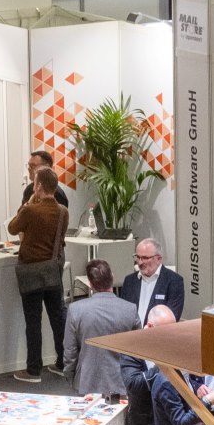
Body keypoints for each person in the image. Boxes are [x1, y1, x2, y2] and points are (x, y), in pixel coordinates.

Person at [9, 168, 68, 381]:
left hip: (31, 272)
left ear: (39, 186)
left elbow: (12, 228)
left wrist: (26, 204)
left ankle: (34, 369)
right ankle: (62, 362)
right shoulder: (63, 211)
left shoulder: (30, 210)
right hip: (53, 271)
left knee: (33, 322)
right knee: (57, 318)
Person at [65, 260, 139, 395]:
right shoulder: (130, 309)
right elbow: (139, 348)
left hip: (87, 381)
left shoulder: (75, 309)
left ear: (90, 283)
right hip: (122, 382)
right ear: (112, 276)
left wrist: (71, 377)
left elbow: (70, 351)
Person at [125, 237, 185, 322]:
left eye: (145, 258)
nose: (140, 262)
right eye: (137, 257)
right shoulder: (129, 281)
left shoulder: (174, 282)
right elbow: (124, 314)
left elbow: (171, 319)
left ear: (159, 259)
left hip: (157, 333)